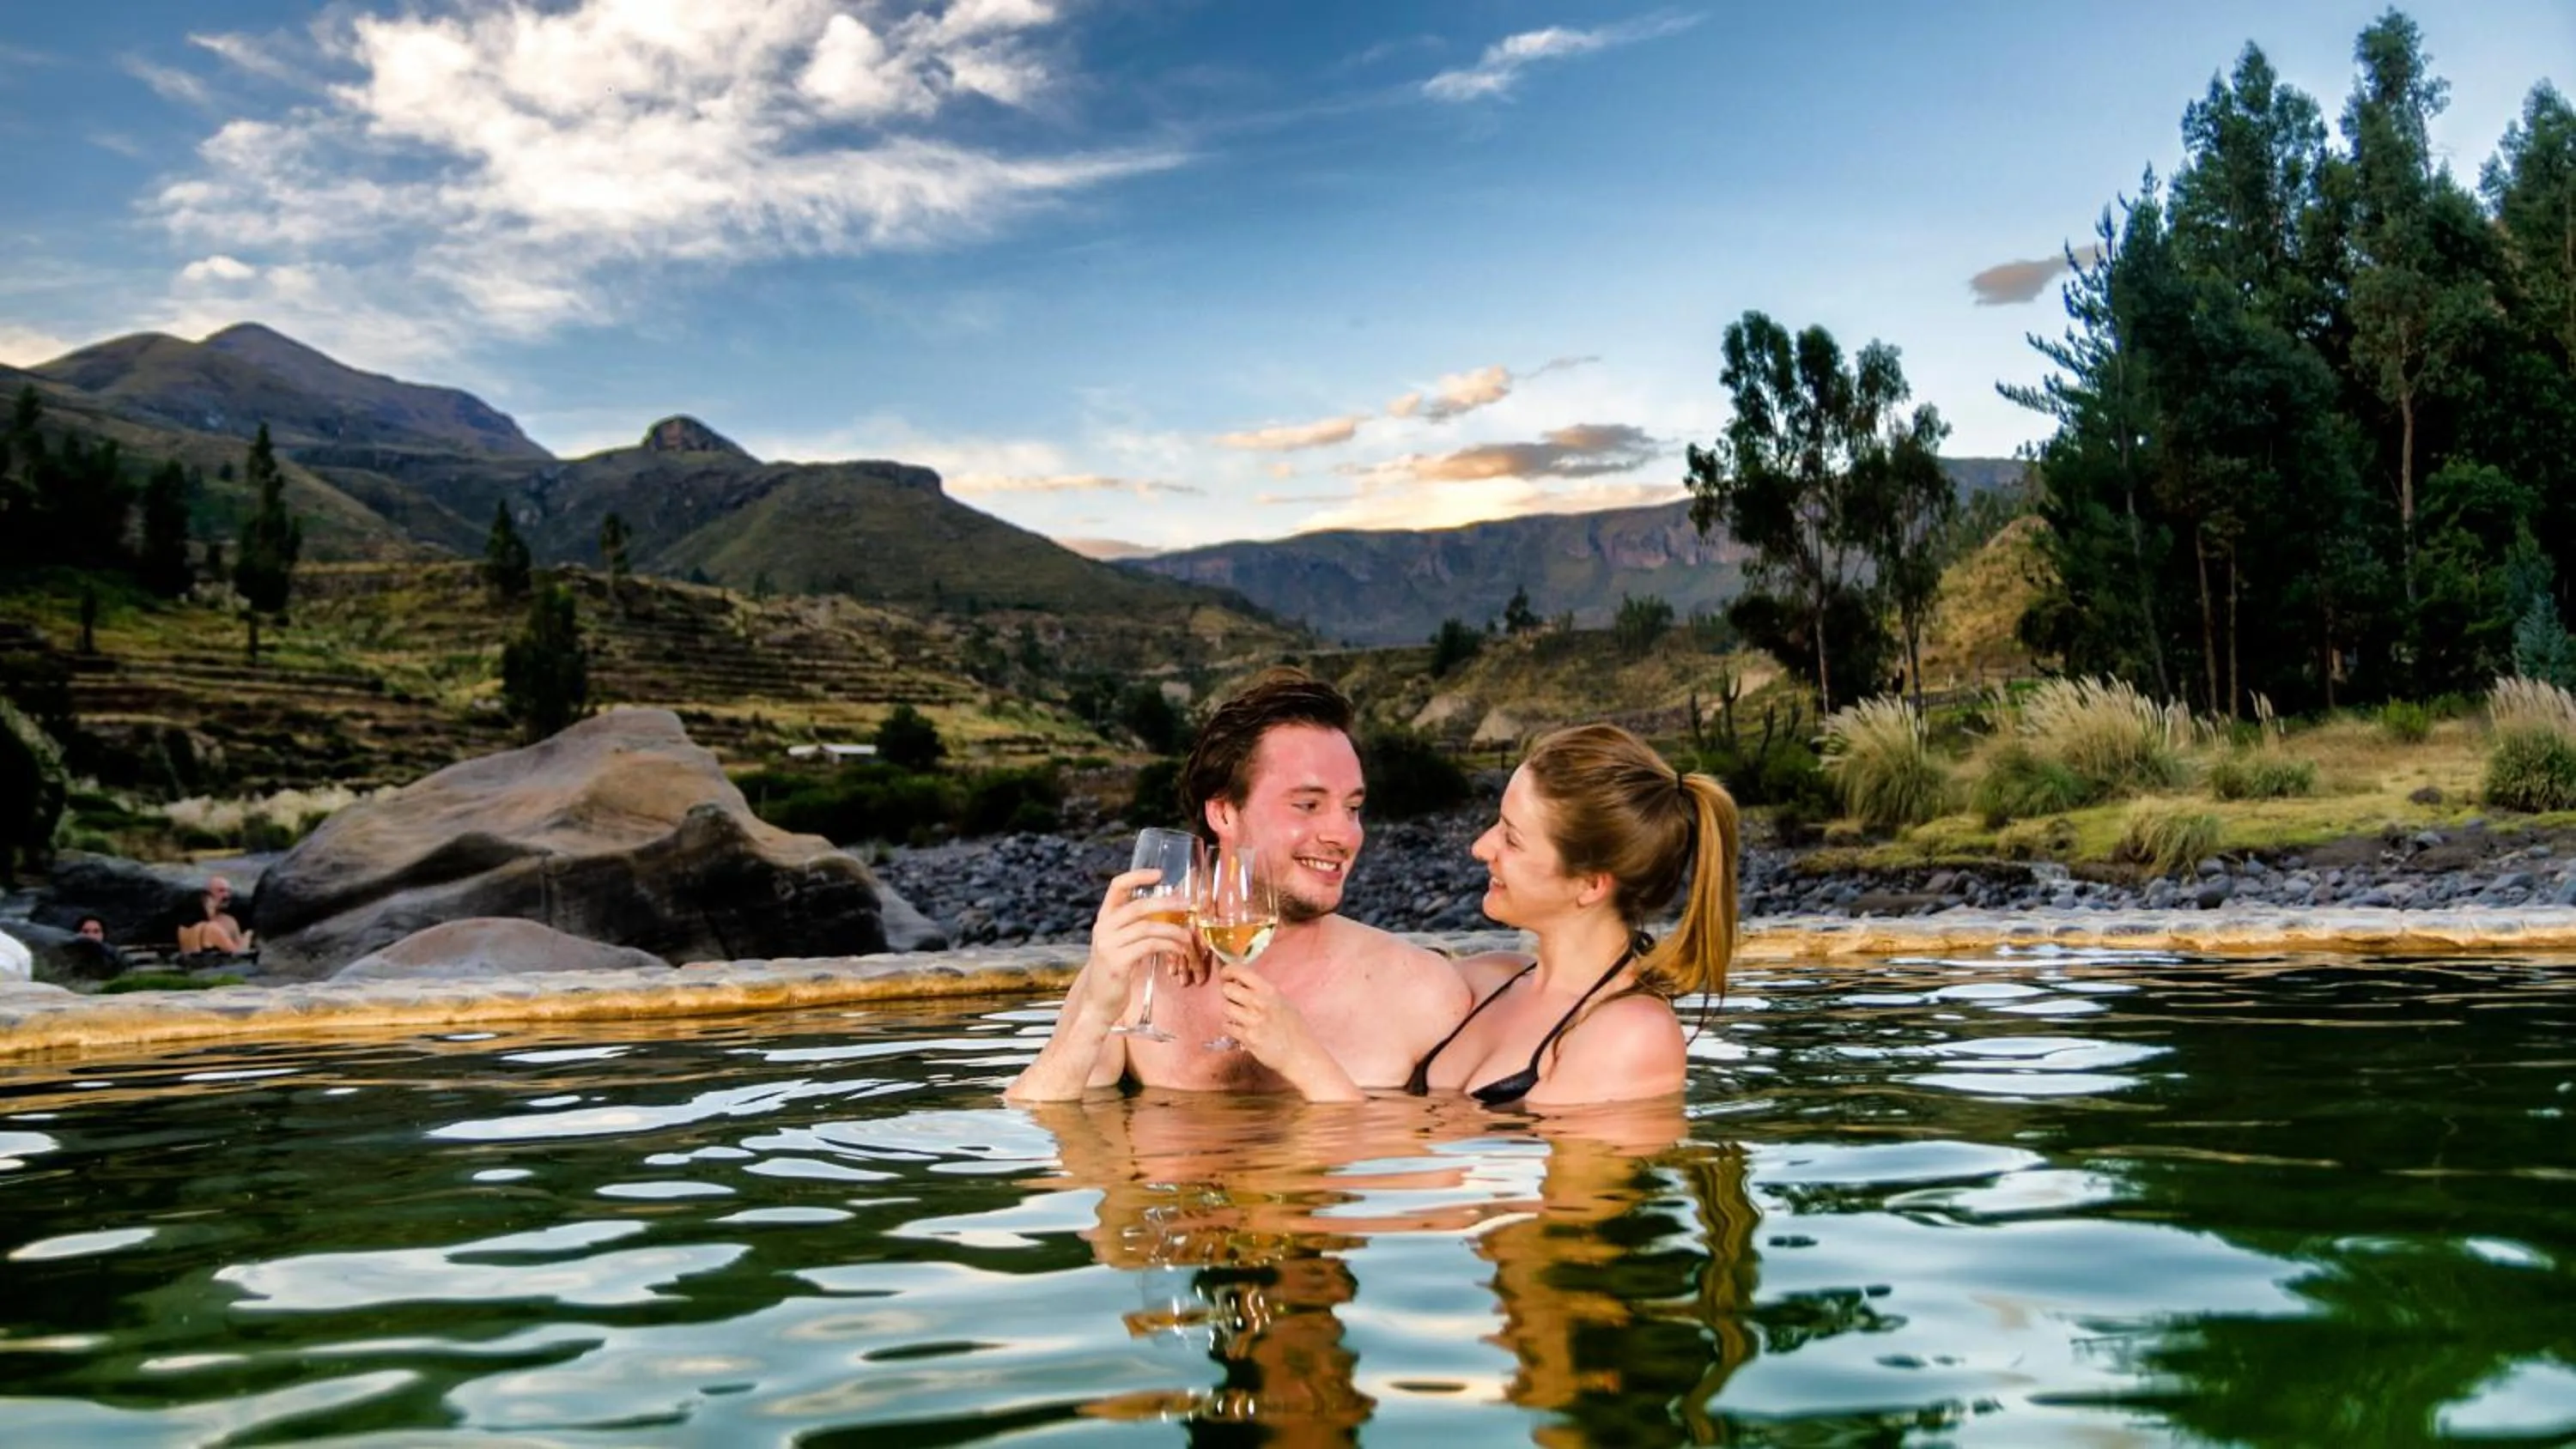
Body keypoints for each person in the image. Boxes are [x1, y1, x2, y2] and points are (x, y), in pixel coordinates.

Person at [1007, 669, 1471, 1102]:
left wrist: (1304, 1060)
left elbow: (1450, 1148)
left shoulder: (1419, 992)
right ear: (1225, 813)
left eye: (1352, 808)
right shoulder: (1138, 976)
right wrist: (1094, 1012)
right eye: (1308, 805)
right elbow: (1043, 1127)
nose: (1343, 834)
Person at [1408, 722, 1740, 1107]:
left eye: (1511, 839)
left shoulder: (1633, 1034)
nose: (1480, 847)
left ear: (1591, 885)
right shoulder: (1485, 977)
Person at [177, 875, 252, 956]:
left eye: (228, 891)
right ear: (206, 896)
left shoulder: (183, 928)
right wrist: (248, 936)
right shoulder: (212, 929)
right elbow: (238, 954)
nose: (226, 895)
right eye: (221, 891)